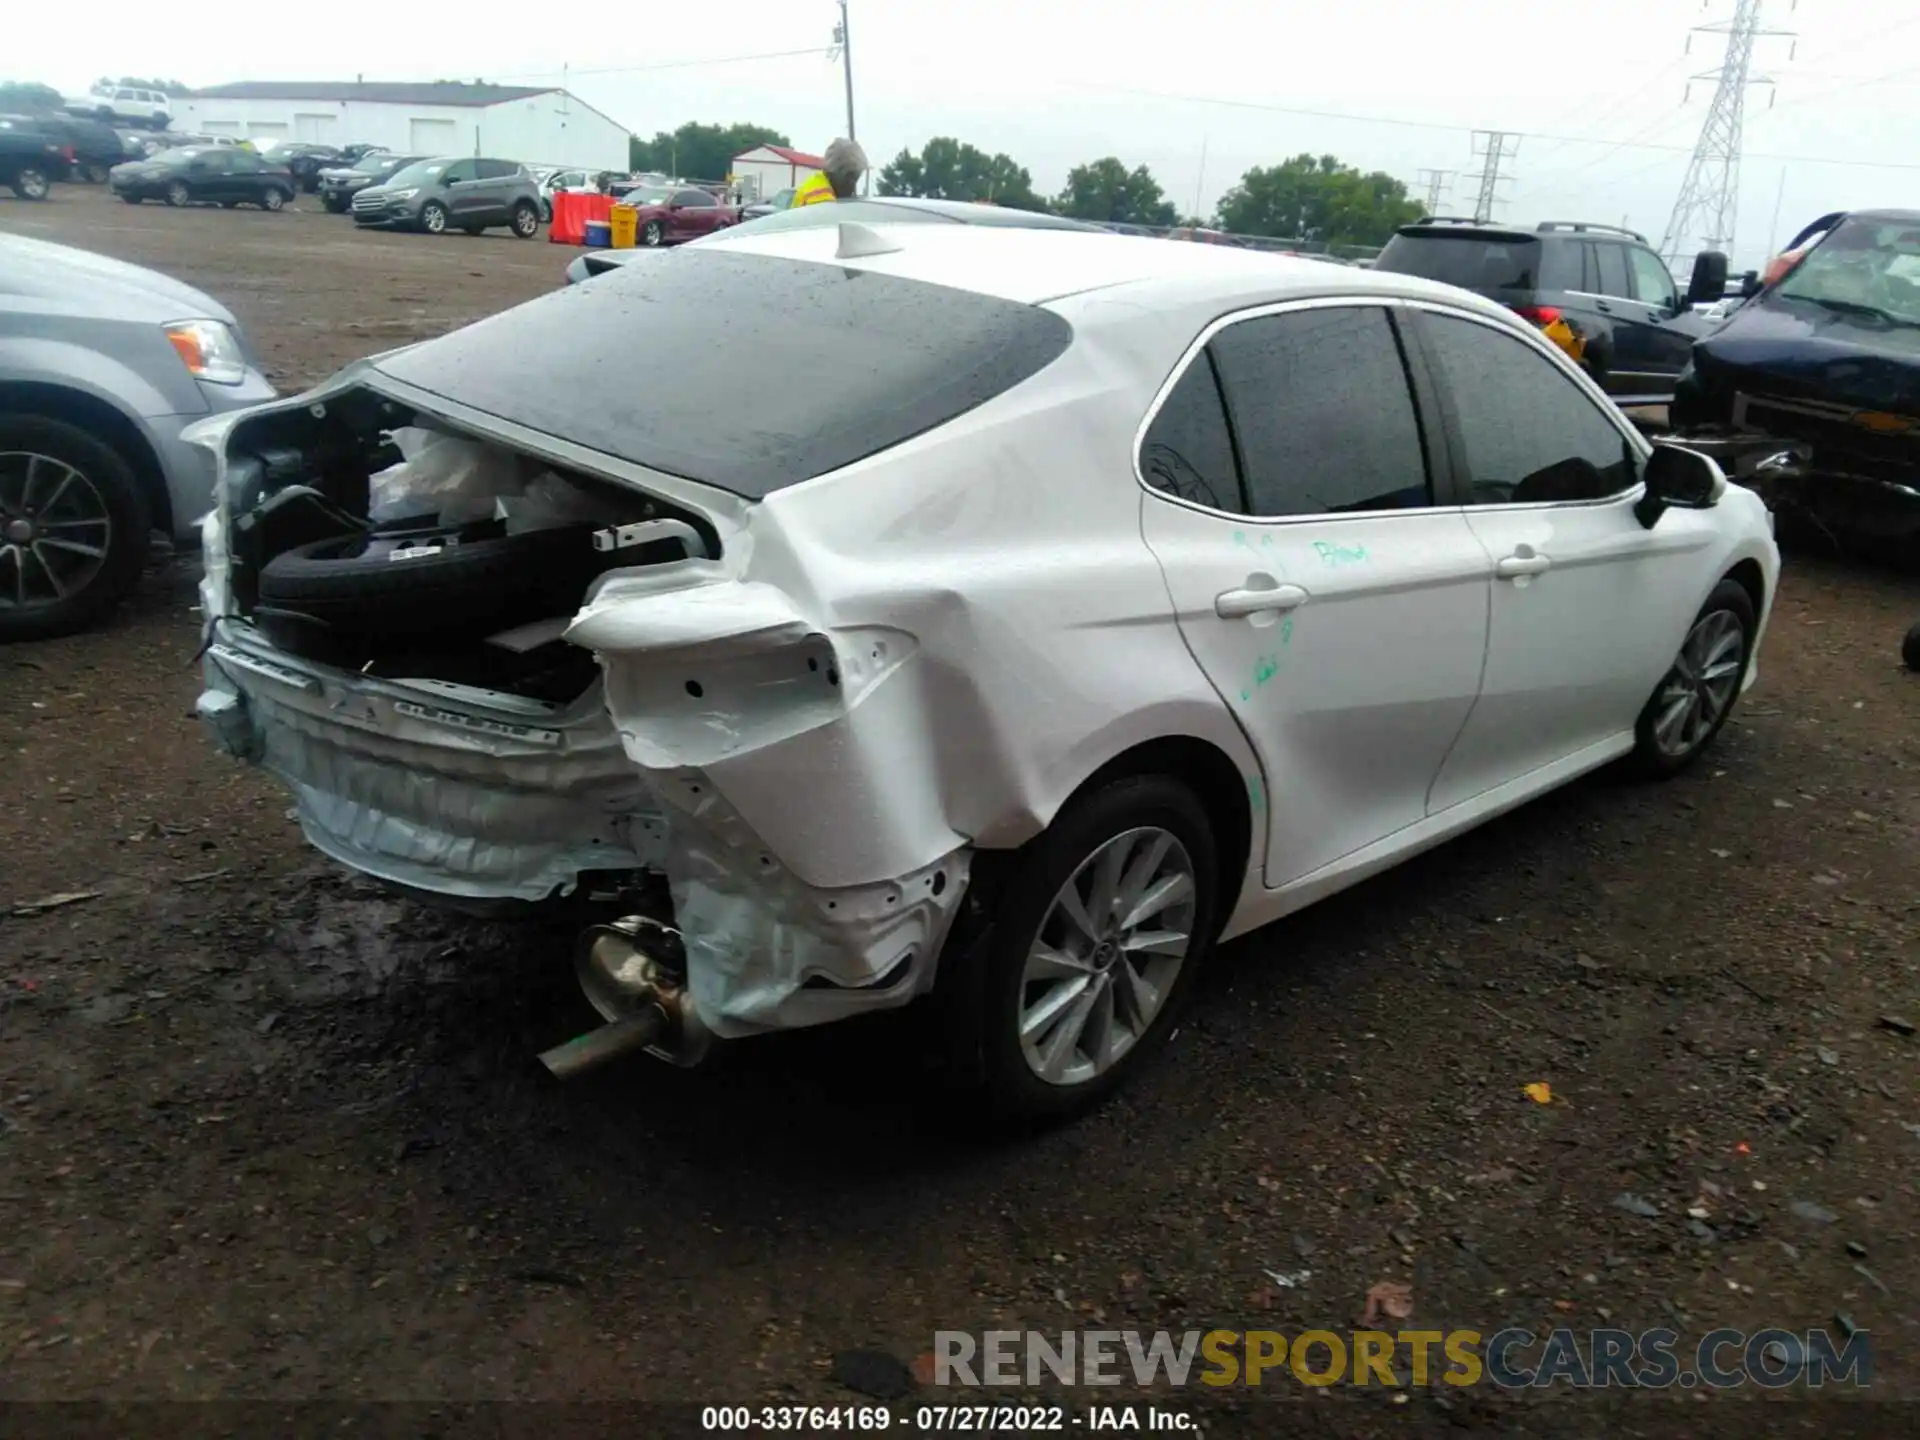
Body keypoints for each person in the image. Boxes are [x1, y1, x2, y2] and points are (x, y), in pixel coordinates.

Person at [789, 137, 868, 207]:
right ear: (837, 172)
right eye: (850, 178)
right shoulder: (821, 196)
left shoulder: (818, 180)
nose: (852, 186)